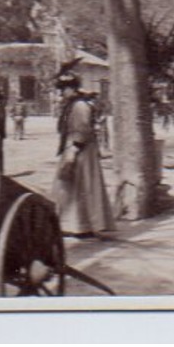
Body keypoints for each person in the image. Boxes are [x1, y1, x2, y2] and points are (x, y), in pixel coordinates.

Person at [52, 72, 115, 237]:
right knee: (71, 186)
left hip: (81, 149)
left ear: (72, 88)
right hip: (75, 147)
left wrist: (74, 149)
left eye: (63, 89)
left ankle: (83, 226)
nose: (61, 93)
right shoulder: (73, 105)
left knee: (82, 185)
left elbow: (83, 129)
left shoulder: (80, 105)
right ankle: (73, 224)